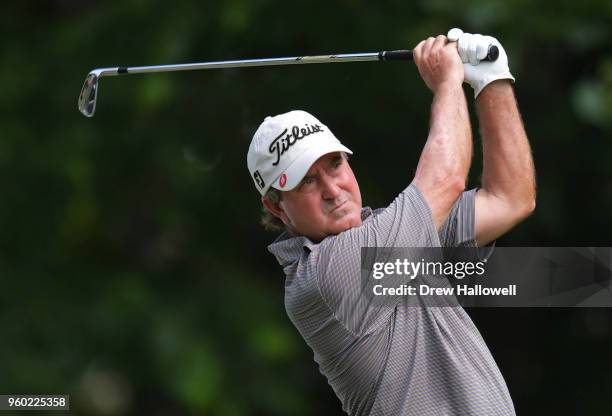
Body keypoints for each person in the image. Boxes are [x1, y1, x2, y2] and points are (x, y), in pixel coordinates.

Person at [247, 28, 536, 416]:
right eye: (307, 181)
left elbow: (510, 199)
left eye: (335, 164)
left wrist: (491, 77)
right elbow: (446, 179)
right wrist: (448, 81)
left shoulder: (392, 230)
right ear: (277, 207)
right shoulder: (325, 275)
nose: (333, 189)